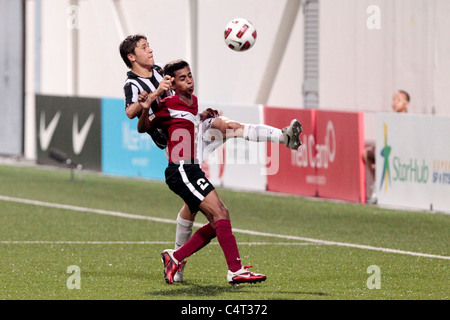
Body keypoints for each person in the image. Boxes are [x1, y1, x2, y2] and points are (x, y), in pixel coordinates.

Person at [120, 34, 302, 281]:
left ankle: (284, 138)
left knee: (228, 126)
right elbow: (134, 114)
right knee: (209, 211)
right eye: (144, 47)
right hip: (176, 144)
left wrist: (198, 115)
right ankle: (188, 261)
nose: (150, 50)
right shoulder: (133, 84)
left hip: (188, 131)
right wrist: (151, 97)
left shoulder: (162, 72)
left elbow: (179, 100)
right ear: (132, 57)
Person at [138, 59, 267, 285]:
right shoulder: (166, 104)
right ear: (172, 84)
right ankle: (234, 270)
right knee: (220, 214)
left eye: (190, 75)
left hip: (190, 168)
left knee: (220, 219)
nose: (189, 81)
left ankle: (175, 257)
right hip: (181, 169)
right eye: (182, 78)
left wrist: (201, 117)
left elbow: (186, 122)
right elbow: (144, 127)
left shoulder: (193, 102)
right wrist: (147, 106)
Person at [363, 90, 410, 204]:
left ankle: (380, 186)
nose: (395, 103)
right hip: (388, 150)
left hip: (399, 152)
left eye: (399, 100)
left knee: (382, 157)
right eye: (393, 100)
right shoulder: (391, 119)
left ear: (406, 104)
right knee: (366, 153)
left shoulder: (408, 120)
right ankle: (377, 182)